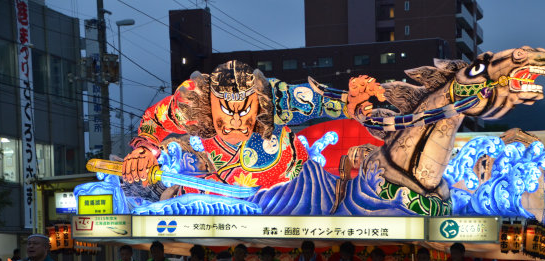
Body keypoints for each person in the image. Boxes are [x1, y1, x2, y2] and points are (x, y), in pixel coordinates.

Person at [121, 60, 383, 193]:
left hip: (287, 191)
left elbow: (310, 98)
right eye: (225, 112)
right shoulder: (192, 103)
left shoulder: (271, 99)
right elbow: (153, 120)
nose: (235, 121)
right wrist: (145, 148)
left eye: (244, 111)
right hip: (224, 197)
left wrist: (349, 103)